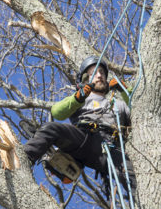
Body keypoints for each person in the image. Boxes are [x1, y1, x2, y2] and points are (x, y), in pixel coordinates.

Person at [23, 56, 135, 196]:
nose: (99, 75)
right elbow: (57, 112)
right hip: (83, 137)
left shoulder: (119, 105)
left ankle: (143, 203)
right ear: (85, 80)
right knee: (51, 128)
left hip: (109, 148)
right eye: (93, 73)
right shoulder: (80, 99)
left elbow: (139, 109)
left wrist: (124, 89)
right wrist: (78, 98)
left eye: (102, 72)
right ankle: (24, 158)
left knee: (131, 175)